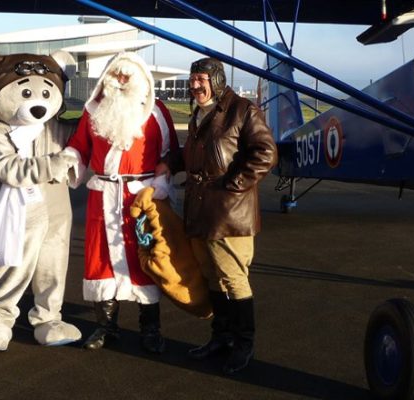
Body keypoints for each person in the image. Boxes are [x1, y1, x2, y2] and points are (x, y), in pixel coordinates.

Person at [161, 57, 277, 374]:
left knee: (234, 279)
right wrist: (171, 163)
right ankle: (221, 337)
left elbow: (266, 152)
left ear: (217, 79)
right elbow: (193, 154)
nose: (195, 85)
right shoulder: (200, 113)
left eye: (201, 79)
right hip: (200, 210)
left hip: (229, 213)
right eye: (193, 78)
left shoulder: (242, 110)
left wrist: (233, 185)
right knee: (211, 276)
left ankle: (244, 344)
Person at [64, 52, 178, 353]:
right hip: (102, 196)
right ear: (108, 78)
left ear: (141, 79)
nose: (122, 81)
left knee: (145, 260)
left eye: (128, 76)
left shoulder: (156, 112)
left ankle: (150, 329)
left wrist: (162, 180)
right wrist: (68, 159)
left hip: (141, 197)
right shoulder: (94, 110)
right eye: (117, 76)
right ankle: (106, 327)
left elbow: (170, 153)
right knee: (100, 259)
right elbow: (79, 146)